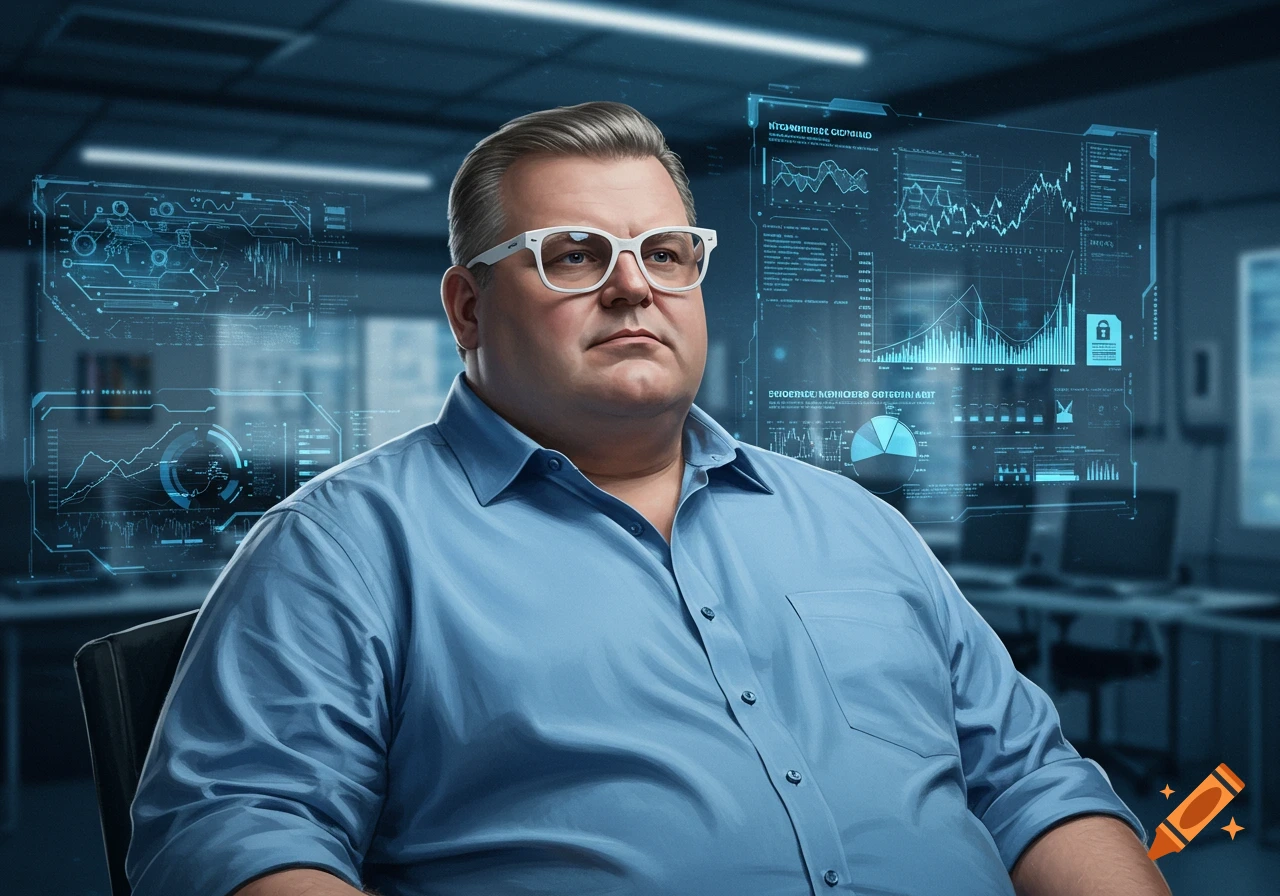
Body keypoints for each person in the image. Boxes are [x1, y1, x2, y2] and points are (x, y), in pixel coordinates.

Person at [126, 101, 1171, 896]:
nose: (632, 287)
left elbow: (1035, 784)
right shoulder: (343, 547)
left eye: (663, 253)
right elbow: (235, 831)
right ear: (465, 304)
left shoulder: (855, 523)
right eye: (573, 254)